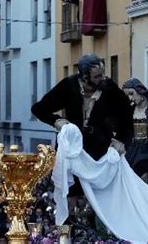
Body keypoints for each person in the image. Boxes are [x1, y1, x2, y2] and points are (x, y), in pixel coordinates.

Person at [31, 53, 133, 224]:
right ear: (85, 76)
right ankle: (68, 227)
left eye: (102, 73)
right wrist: (56, 121)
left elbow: (126, 116)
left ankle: (97, 228)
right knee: (70, 189)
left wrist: (122, 140)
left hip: (99, 149)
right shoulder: (69, 86)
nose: (103, 78)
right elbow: (39, 108)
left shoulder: (109, 88)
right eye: (97, 76)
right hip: (73, 148)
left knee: (97, 192)